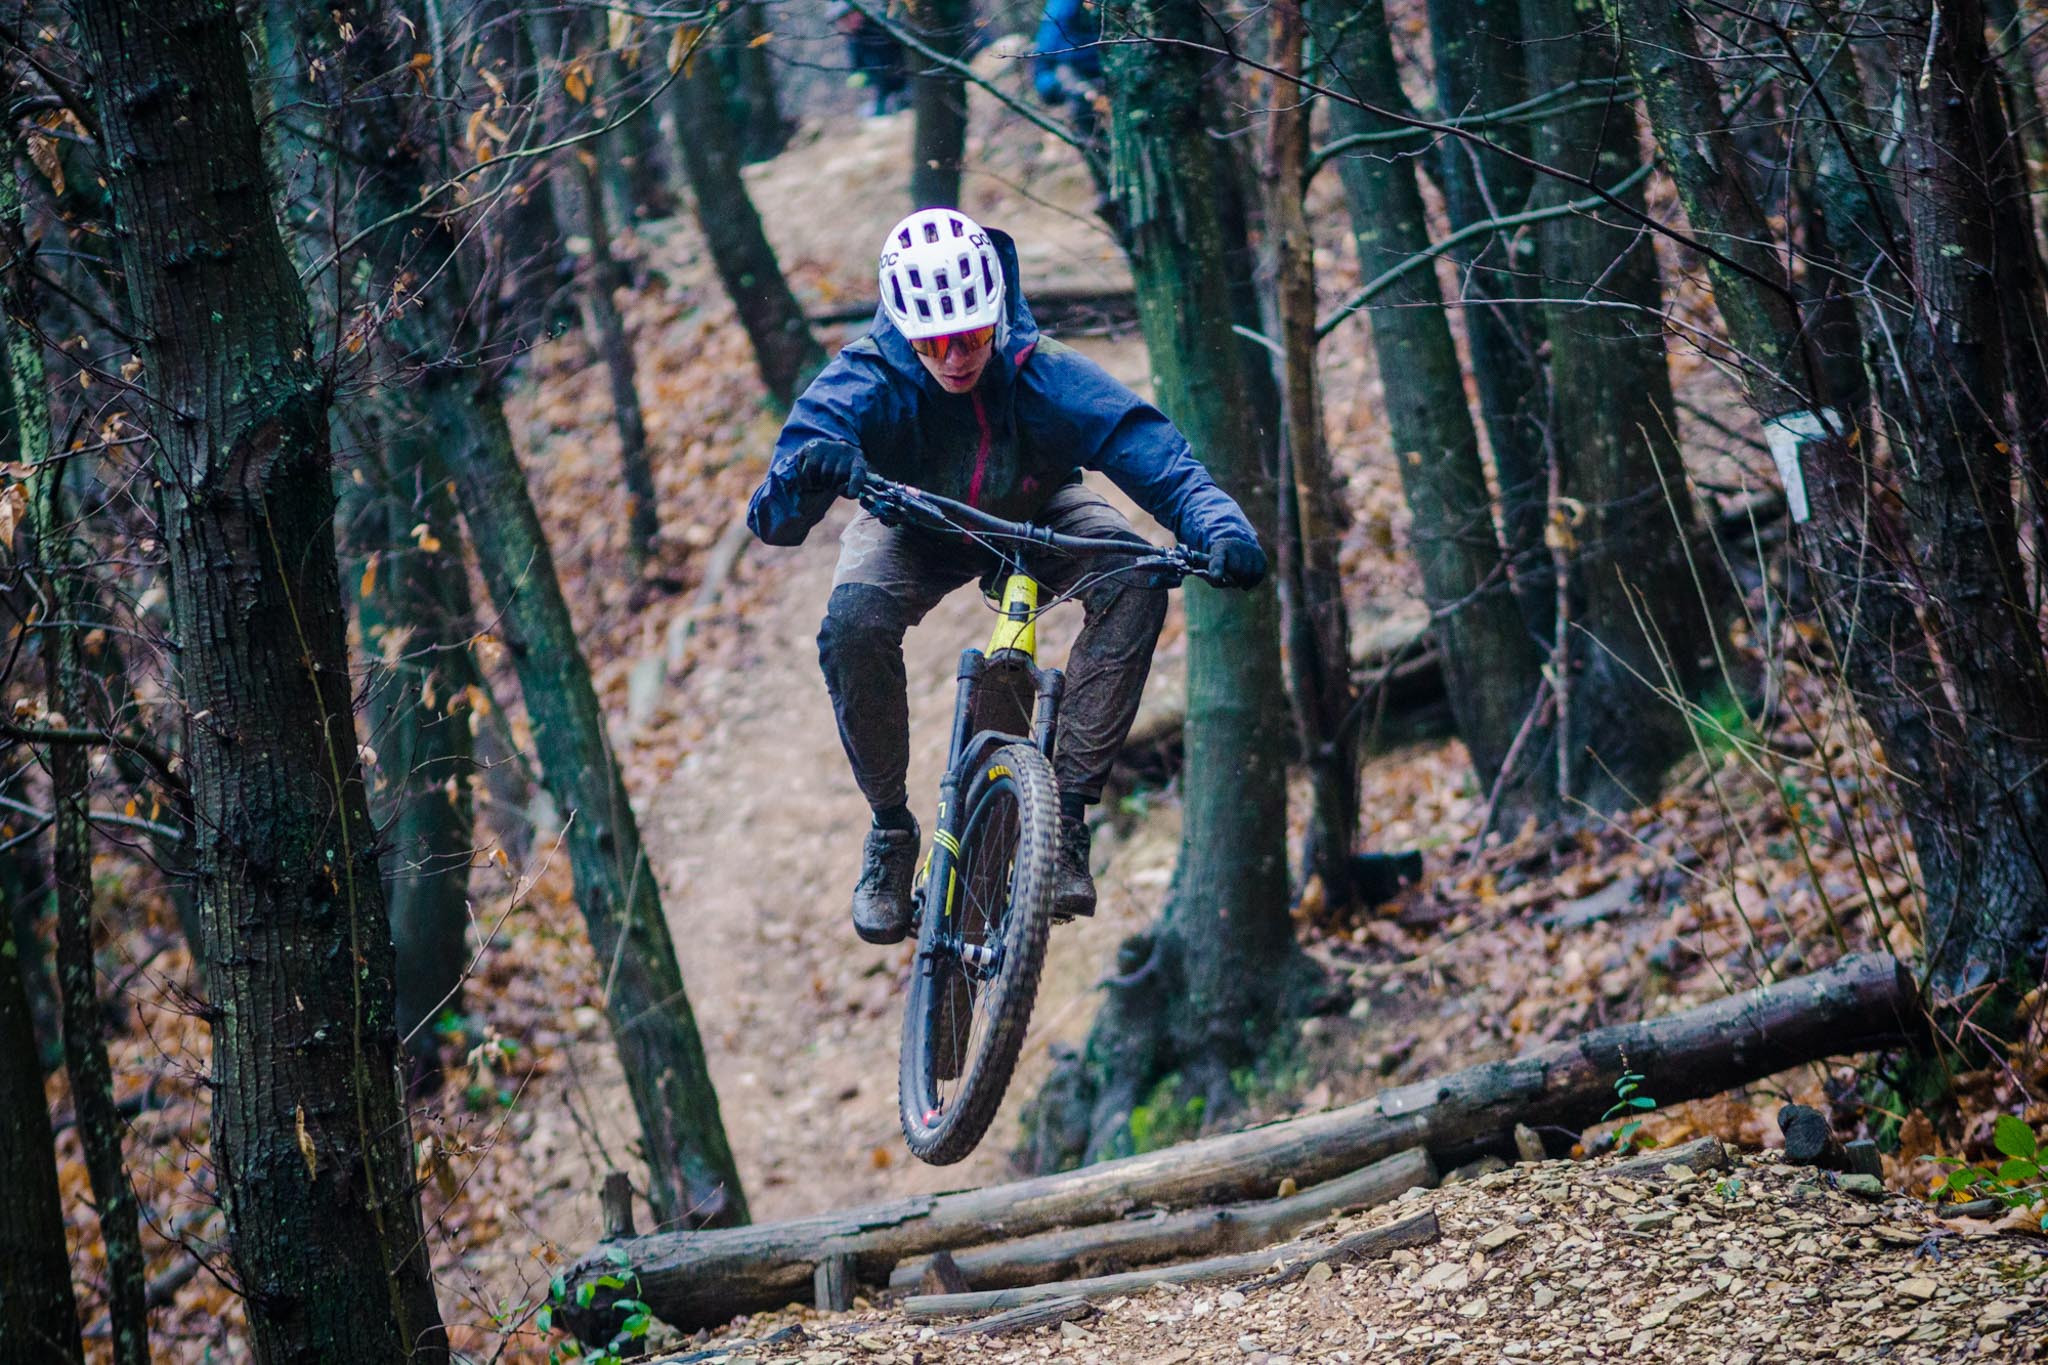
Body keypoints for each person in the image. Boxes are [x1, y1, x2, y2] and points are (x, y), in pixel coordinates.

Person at [747, 208, 1267, 946]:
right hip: (913, 522)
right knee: (853, 626)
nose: (956, 356)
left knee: (1134, 576)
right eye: (934, 342)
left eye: (971, 334)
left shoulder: (1042, 370)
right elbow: (772, 519)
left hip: (1037, 510)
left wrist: (1220, 528)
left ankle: (1065, 820)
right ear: (906, 332)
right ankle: (891, 831)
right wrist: (808, 473)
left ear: (995, 314)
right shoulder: (864, 378)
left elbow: (1153, 452)